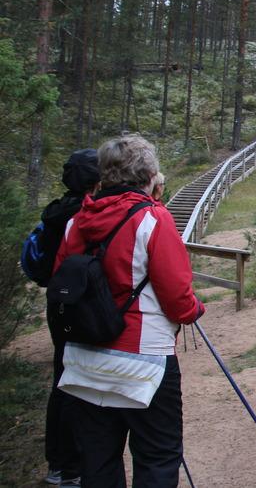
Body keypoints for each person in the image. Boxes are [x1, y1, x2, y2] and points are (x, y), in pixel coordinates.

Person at [54, 135, 205, 487]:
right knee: (157, 457)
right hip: (144, 361)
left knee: (97, 463)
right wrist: (195, 309)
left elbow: (62, 284)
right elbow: (178, 300)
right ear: (150, 174)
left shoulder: (76, 223)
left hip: (83, 361)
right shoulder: (153, 219)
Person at [40, 149, 100, 487]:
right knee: (80, 379)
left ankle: (58, 464)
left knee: (62, 376)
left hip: (57, 300)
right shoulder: (86, 213)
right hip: (82, 302)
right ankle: (75, 467)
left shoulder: (56, 210)